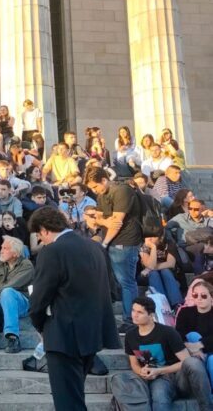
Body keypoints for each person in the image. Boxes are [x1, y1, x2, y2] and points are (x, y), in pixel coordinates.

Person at [28, 206, 120, 411]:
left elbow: (39, 299)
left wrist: (40, 326)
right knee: (75, 397)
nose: (42, 241)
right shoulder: (95, 247)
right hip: (92, 334)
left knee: (68, 402)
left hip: (63, 335)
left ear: (43, 230)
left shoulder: (52, 251)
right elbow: (113, 290)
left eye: (40, 236)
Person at [112, 296, 213, 411]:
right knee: (159, 392)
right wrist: (141, 371)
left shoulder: (167, 332)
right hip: (157, 380)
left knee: (193, 362)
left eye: (140, 312)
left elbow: (185, 361)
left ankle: (207, 407)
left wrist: (160, 370)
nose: (135, 315)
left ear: (151, 315)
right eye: (133, 310)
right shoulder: (130, 335)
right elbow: (134, 363)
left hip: (177, 378)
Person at [85, 165, 143, 332]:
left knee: (126, 282)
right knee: (119, 282)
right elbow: (102, 219)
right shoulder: (103, 195)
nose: (94, 191)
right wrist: (103, 222)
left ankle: (130, 320)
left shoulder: (121, 191)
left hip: (125, 241)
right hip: (111, 242)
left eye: (95, 186)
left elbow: (117, 222)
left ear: (104, 180)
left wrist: (104, 242)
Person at [175, 281, 213, 391]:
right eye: (195, 295)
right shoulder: (185, 312)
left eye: (204, 295)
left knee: (212, 360)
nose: (199, 298)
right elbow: (178, 335)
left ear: (211, 297)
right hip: (191, 352)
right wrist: (192, 348)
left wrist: (200, 344)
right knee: (192, 335)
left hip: (210, 352)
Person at [138, 234, 184, 309]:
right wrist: (153, 247)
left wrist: (149, 268)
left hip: (167, 273)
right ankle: (161, 305)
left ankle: (177, 305)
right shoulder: (144, 246)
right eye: (148, 236)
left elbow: (171, 263)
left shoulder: (168, 243)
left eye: (153, 236)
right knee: (154, 274)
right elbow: (149, 264)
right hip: (147, 276)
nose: (150, 239)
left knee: (165, 271)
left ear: (160, 237)